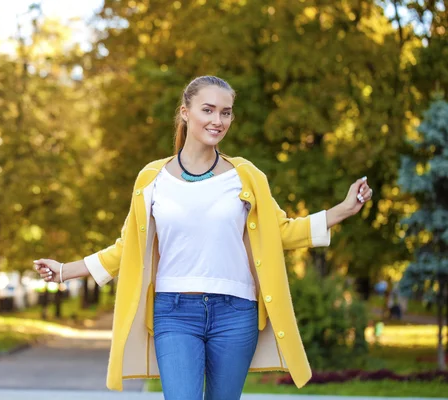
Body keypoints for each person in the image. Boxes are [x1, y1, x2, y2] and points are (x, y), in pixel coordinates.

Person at [33, 76, 373, 399]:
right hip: (174, 311)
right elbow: (128, 248)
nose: (218, 120)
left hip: (236, 312)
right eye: (207, 110)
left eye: (225, 112)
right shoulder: (152, 179)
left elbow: (282, 231)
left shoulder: (246, 176)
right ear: (185, 112)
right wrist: (65, 270)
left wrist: (342, 210)